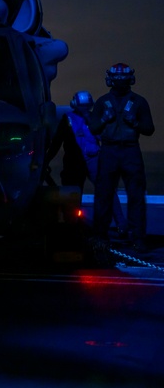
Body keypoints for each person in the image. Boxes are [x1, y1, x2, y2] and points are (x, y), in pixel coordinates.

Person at [88, 63, 155, 252]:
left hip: (130, 150)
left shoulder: (138, 102)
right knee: (104, 195)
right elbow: (94, 128)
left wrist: (135, 123)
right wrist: (104, 119)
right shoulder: (103, 102)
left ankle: (137, 238)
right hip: (109, 151)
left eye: (122, 78)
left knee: (135, 196)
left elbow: (149, 129)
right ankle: (101, 236)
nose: (119, 81)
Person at [45, 90, 127, 232]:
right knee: (73, 195)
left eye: (86, 106)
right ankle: (72, 226)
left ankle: (121, 224)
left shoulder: (95, 118)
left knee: (107, 190)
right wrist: (46, 160)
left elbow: (105, 138)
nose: (84, 109)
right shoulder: (67, 119)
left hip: (94, 160)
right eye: (82, 106)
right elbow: (57, 142)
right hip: (74, 162)